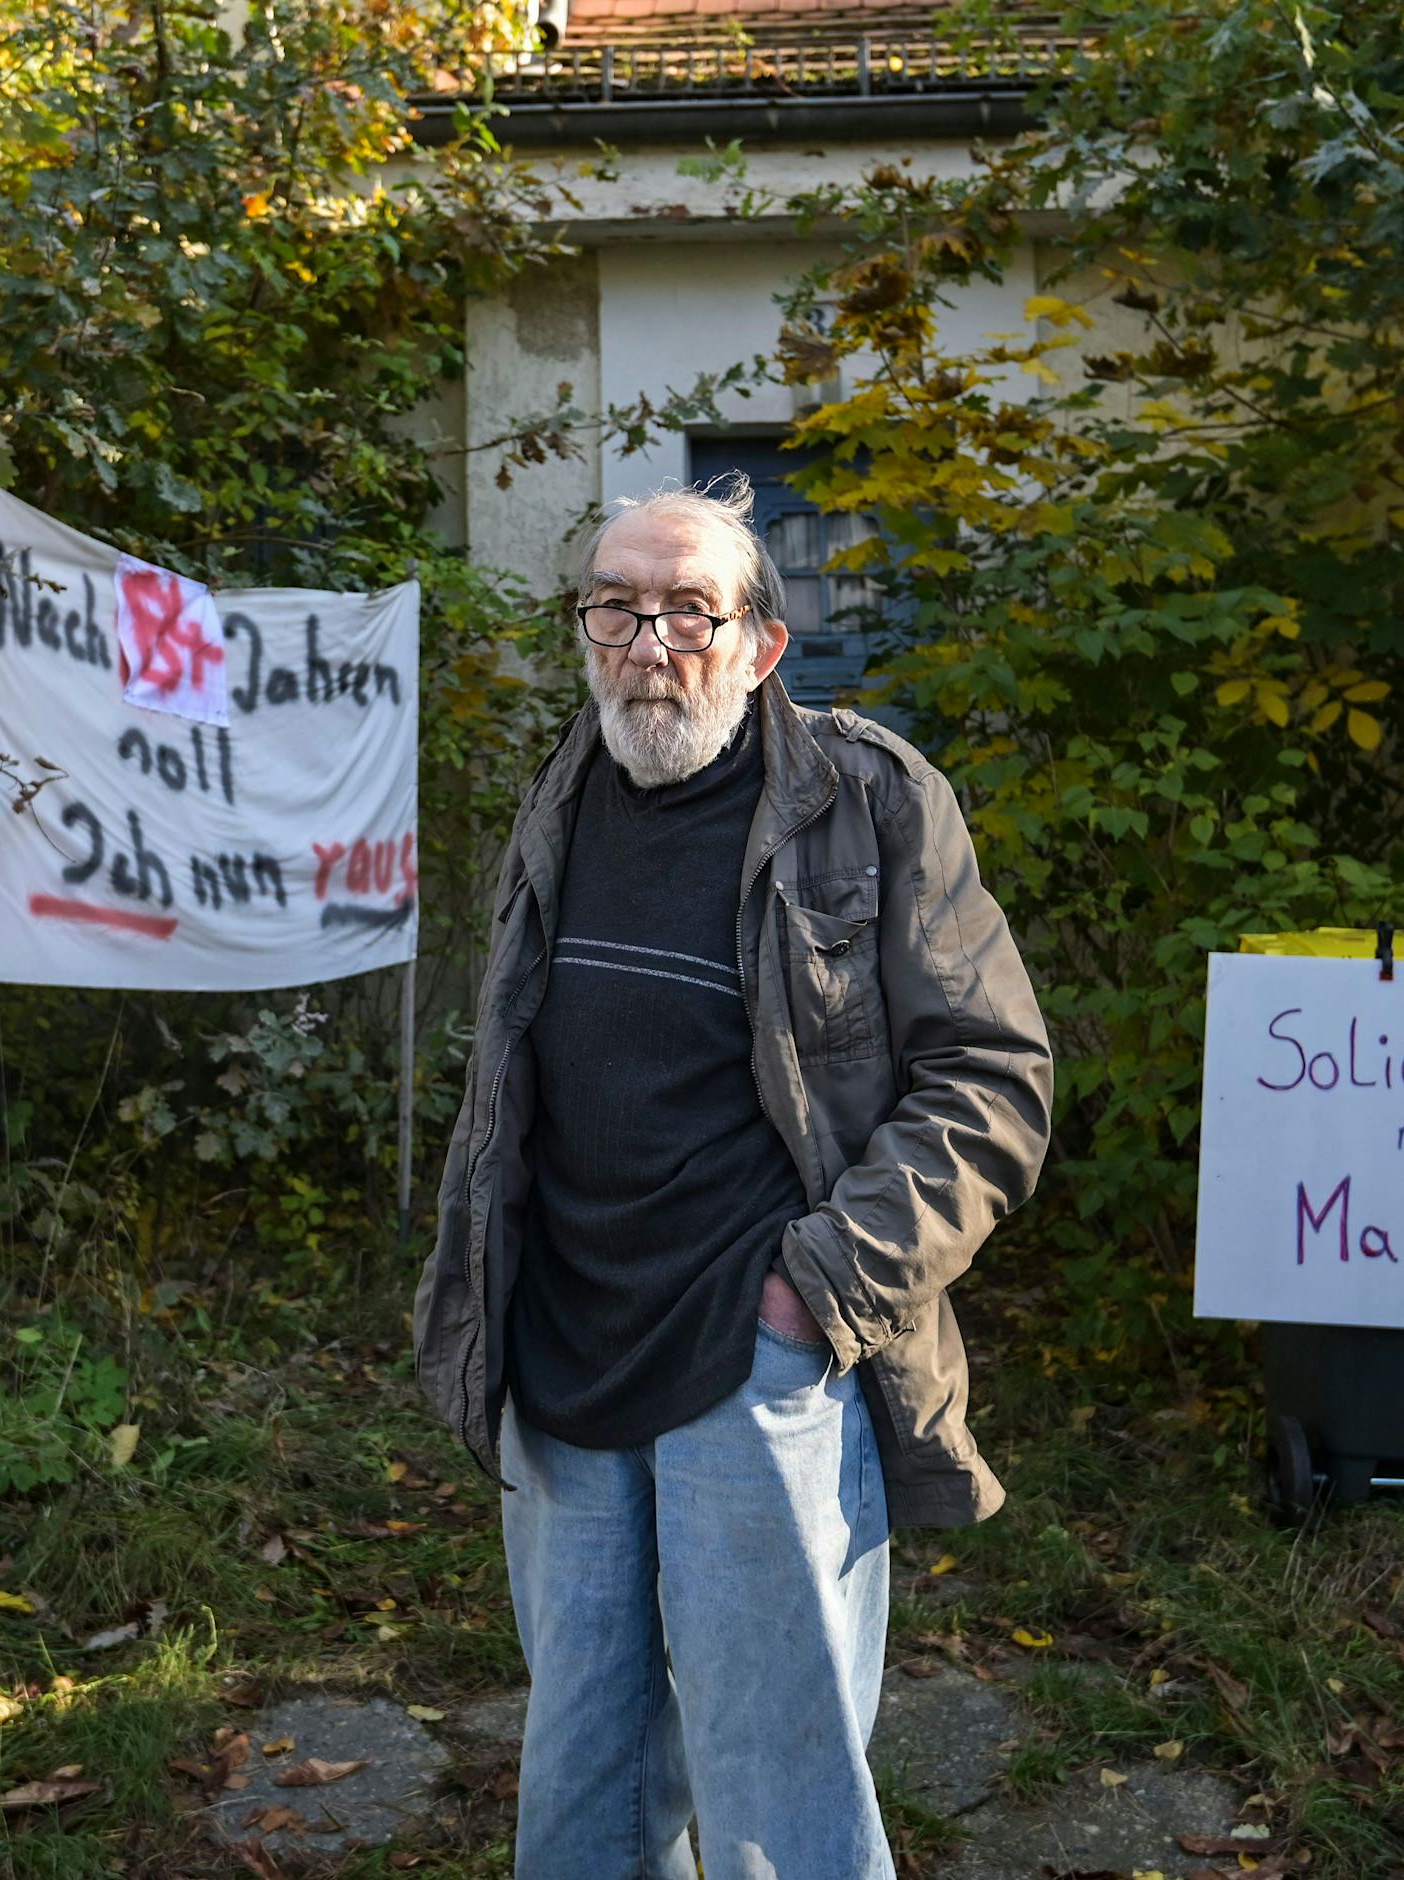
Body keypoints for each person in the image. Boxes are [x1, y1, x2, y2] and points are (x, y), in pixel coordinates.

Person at [412, 475, 1053, 1880]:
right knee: (583, 1770)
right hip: (561, 1349)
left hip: (758, 1358)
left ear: (762, 643)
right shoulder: (562, 791)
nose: (648, 643)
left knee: (779, 1789)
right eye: (615, 609)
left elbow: (992, 1084)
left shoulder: (865, 800)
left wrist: (816, 1289)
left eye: (688, 610)